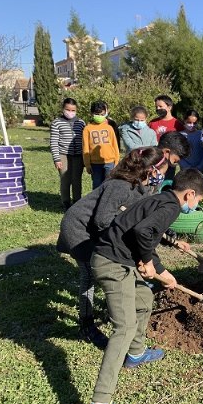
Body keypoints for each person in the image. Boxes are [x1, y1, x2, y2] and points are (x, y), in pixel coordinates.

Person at [81, 168, 203, 404]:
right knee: (123, 328)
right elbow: (143, 232)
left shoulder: (160, 198)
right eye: (199, 202)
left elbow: (144, 233)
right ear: (190, 194)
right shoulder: (172, 207)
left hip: (120, 259)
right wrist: (152, 265)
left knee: (144, 297)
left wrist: (159, 269)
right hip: (112, 264)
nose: (196, 206)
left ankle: (136, 354)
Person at [57, 147, 172, 349]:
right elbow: (102, 220)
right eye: (163, 172)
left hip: (96, 230)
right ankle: (86, 326)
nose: (163, 177)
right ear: (151, 171)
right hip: (79, 230)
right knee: (89, 274)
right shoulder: (120, 186)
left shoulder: (141, 188)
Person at [50, 97, 85, 210]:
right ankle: (65, 202)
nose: (70, 112)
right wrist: (57, 159)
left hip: (78, 156)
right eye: (68, 109)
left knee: (77, 180)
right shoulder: (56, 123)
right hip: (63, 155)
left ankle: (77, 201)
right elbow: (54, 142)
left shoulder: (81, 122)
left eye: (73, 110)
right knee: (65, 179)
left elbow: (84, 140)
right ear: (63, 109)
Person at [82, 101, 120, 189]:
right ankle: (96, 202)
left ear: (105, 113)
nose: (99, 116)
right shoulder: (87, 129)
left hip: (110, 162)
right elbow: (85, 148)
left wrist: (117, 160)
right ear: (92, 113)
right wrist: (87, 164)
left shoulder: (109, 128)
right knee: (96, 185)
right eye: (97, 114)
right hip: (95, 164)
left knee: (109, 185)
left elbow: (115, 144)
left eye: (102, 114)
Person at [178, 109, 203, 175]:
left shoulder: (202, 134)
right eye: (189, 122)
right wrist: (186, 167)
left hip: (200, 171)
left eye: (194, 123)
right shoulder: (179, 135)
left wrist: (200, 167)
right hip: (185, 171)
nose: (192, 125)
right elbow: (178, 153)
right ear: (184, 121)